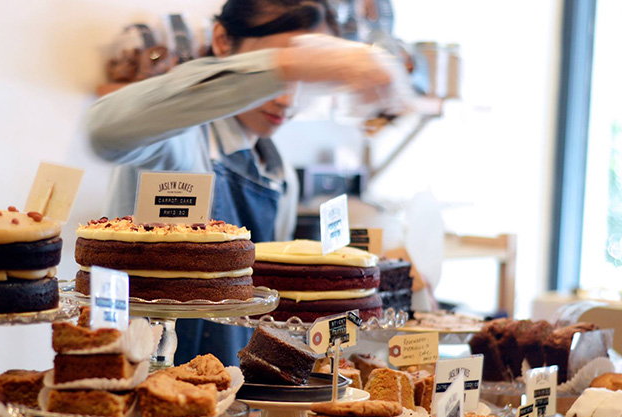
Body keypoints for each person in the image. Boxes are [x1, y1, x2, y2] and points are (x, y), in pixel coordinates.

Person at [86, 0, 410, 365]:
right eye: (279, 70)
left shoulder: (277, 171)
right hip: (134, 391)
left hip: (231, 396)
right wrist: (291, 63)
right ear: (222, 40)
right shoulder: (176, 137)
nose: (289, 98)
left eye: (307, 79)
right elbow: (103, 130)